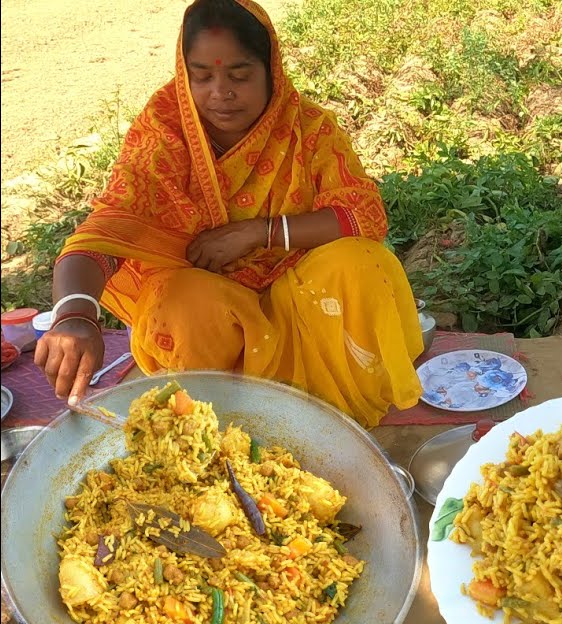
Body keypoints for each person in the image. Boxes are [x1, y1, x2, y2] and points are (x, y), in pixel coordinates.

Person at [33, 0, 423, 427]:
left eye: (239, 75)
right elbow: (104, 234)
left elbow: (362, 217)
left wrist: (258, 232)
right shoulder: (165, 132)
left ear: (271, 71)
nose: (221, 93)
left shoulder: (307, 128)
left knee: (362, 262)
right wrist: (74, 315)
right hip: (210, 324)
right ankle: (215, 428)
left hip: (300, 303)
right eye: (202, 76)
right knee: (181, 299)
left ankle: (329, 416)